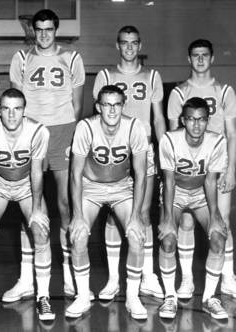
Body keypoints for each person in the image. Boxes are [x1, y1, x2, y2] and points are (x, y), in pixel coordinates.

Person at [8, 8, 86, 301]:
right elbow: (15, 102)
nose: (43, 35)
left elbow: (78, 104)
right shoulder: (21, 58)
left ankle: (70, 276)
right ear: (32, 31)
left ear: (56, 30)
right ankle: (27, 279)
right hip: (31, 133)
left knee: (66, 204)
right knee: (30, 204)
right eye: (38, 29)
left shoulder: (72, 58)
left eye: (48, 29)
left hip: (63, 132)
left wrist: (67, 133)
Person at [0, 88, 55, 322]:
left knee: (40, 230)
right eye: (6, 109)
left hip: (27, 185)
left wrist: (37, 208)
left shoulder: (38, 131)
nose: (12, 115)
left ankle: (43, 297)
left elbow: (37, 172)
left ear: (24, 111)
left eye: (17, 109)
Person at [92, 25, 165, 301]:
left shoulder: (152, 75)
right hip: (114, 151)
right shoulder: (105, 76)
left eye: (134, 42)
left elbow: (158, 117)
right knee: (112, 214)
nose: (130, 47)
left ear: (140, 44)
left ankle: (147, 275)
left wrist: (163, 149)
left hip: (143, 148)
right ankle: (113, 279)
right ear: (117, 46)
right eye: (125, 42)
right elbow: (97, 115)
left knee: (143, 215)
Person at [65, 85, 148, 319]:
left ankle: (133, 297)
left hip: (122, 187)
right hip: (91, 188)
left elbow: (141, 174)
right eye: (106, 104)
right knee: (78, 234)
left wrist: (136, 217)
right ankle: (82, 296)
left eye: (117, 104)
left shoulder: (134, 126)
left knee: (137, 235)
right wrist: (78, 215)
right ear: (98, 106)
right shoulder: (86, 127)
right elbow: (75, 174)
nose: (112, 109)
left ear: (123, 105)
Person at [167, 39, 236, 299]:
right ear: (188, 59)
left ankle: (228, 277)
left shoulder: (225, 90)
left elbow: (232, 133)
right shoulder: (179, 92)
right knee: (185, 221)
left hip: (217, 165)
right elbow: (173, 133)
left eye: (204, 55)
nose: (199, 60)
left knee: (223, 221)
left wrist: (231, 171)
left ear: (212, 58)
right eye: (195, 55)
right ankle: (186, 280)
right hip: (189, 166)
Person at [159, 97, 228, 320]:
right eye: (190, 119)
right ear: (183, 120)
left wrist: (216, 216)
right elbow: (168, 180)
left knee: (218, 236)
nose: (196, 125)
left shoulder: (217, 141)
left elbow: (210, 181)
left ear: (208, 121)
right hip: (176, 191)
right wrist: (168, 218)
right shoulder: (169, 139)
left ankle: (209, 298)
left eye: (201, 120)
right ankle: (170, 296)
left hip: (200, 193)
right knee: (168, 238)